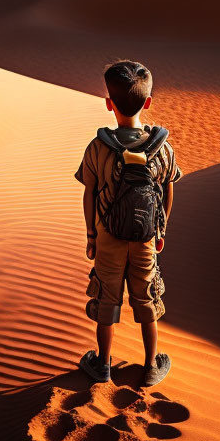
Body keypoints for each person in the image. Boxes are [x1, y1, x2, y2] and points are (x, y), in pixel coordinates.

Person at [74, 60, 182, 387]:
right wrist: (160, 230)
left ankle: (103, 364)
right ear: (148, 102)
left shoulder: (97, 148)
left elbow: (89, 194)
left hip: (108, 235)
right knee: (147, 295)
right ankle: (151, 366)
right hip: (146, 236)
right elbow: (168, 192)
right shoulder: (163, 149)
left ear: (109, 103)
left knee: (107, 296)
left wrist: (92, 235)